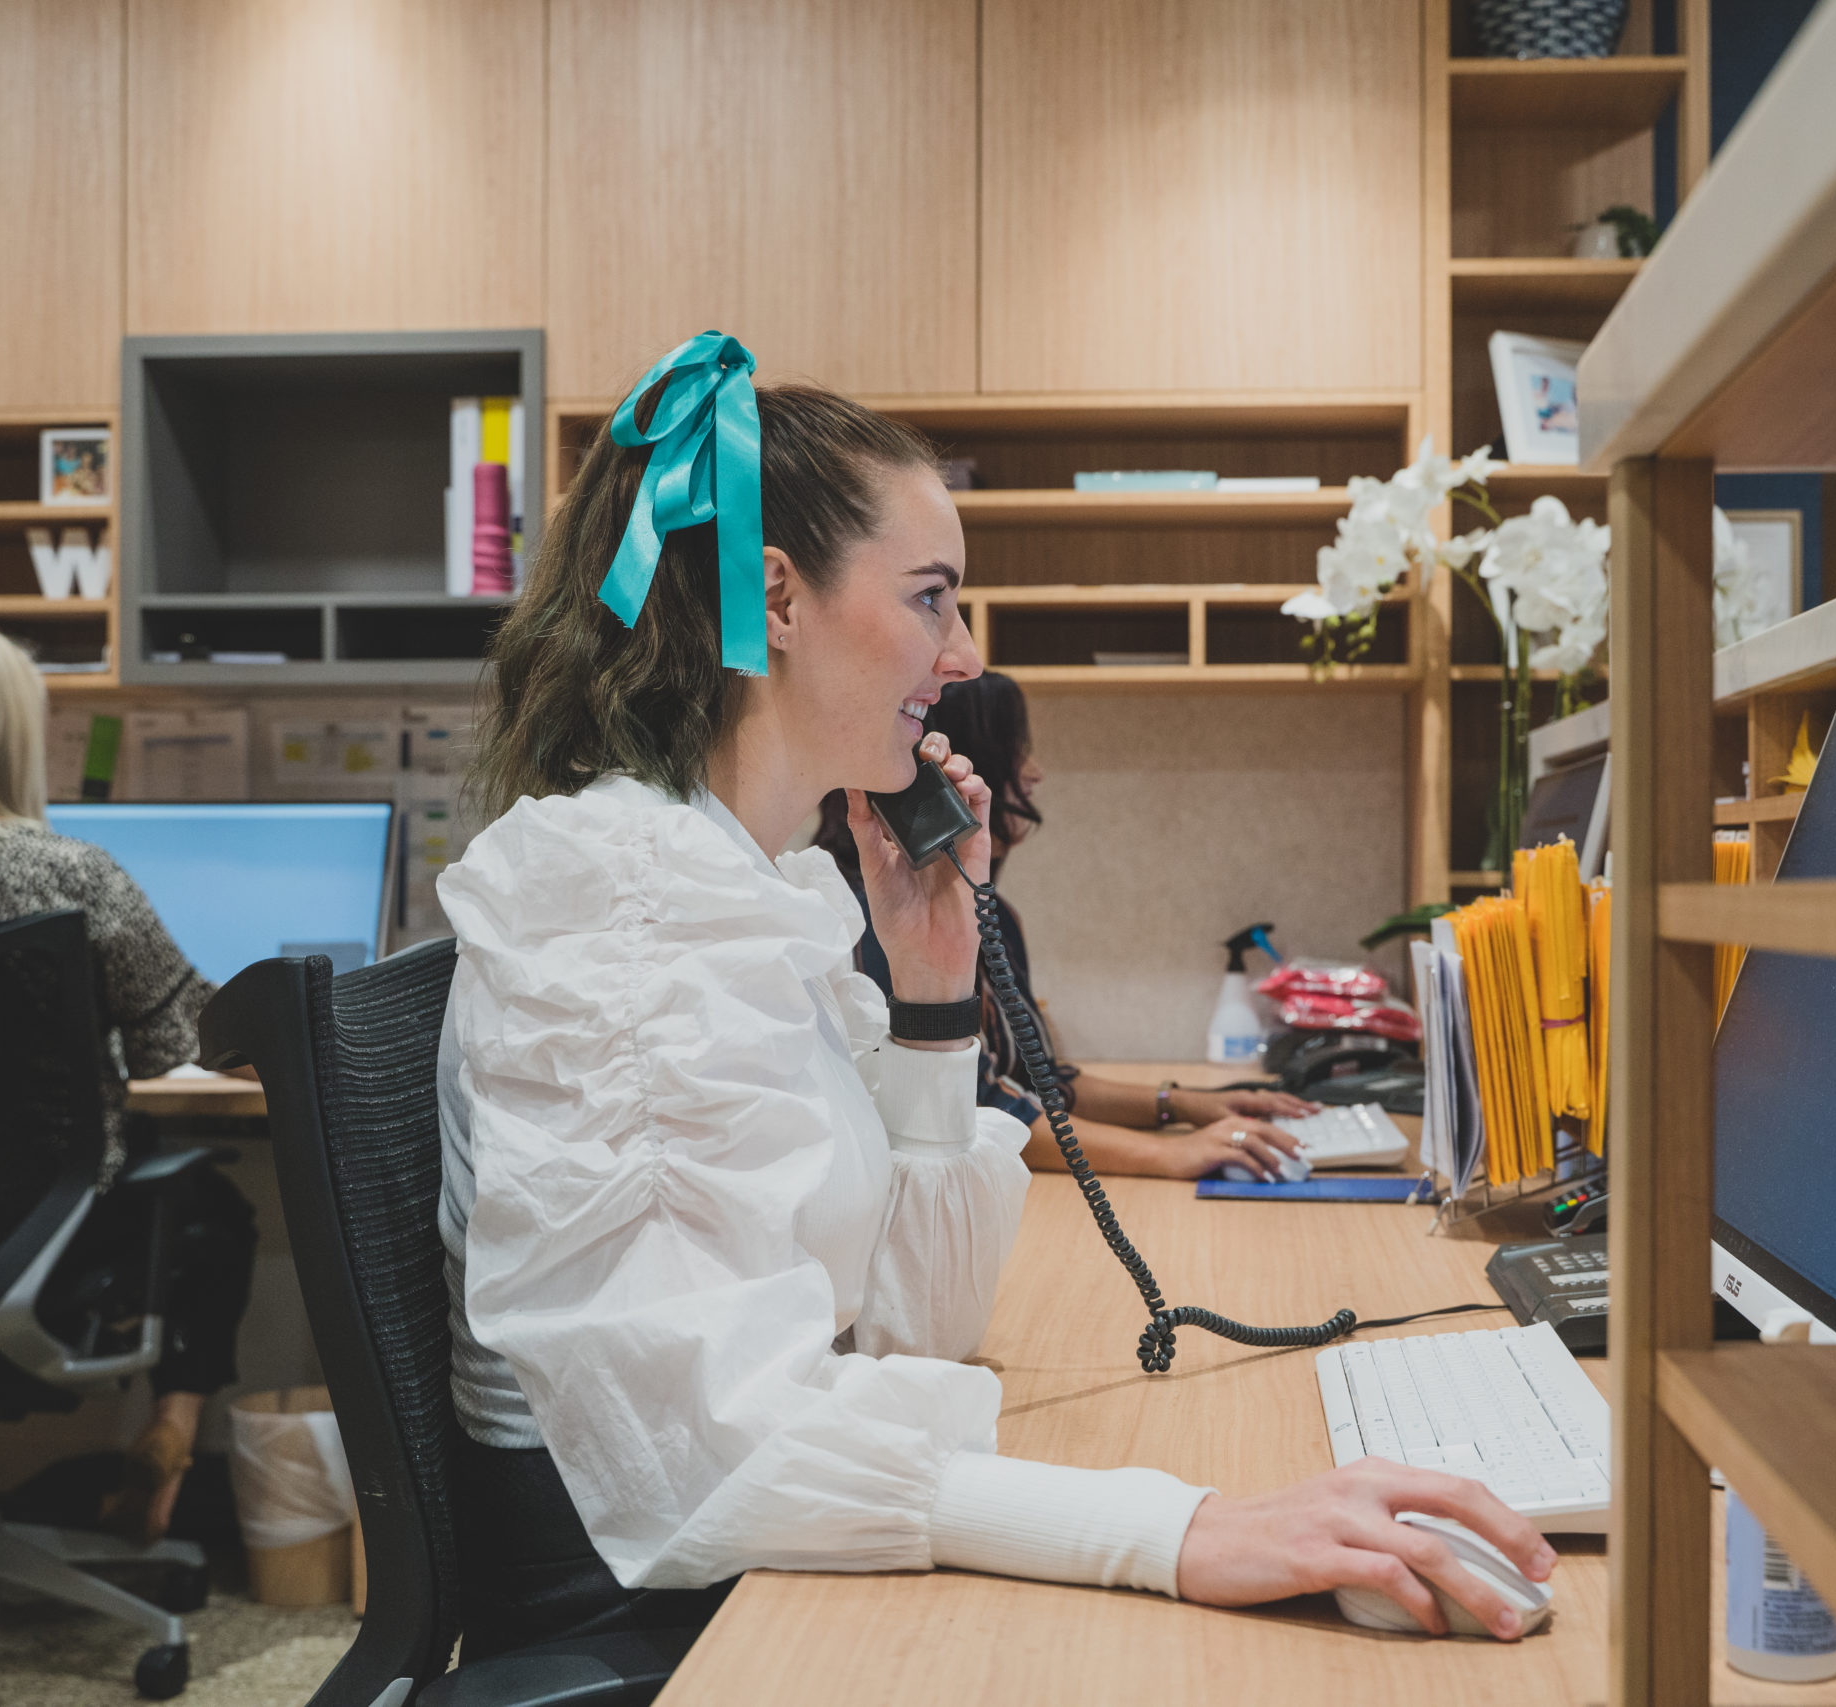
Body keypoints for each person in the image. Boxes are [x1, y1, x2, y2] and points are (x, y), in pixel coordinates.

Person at [436, 335, 1553, 1661]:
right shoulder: (622, 907)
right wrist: (1177, 1530)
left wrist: (929, 996)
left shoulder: (754, 884)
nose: (962, 656)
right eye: (930, 598)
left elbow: (921, 1321)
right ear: (775, 600)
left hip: (750, 1524)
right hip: (652, 1586)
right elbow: (709, 1456)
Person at [0, 625, 257, 1542]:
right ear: (18, 737)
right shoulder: (73, 876)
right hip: (43, 1250)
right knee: (215, 1210)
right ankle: (170, 1433)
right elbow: (187, 1036)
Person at [812, 672, 1320, 1181]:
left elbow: (1040, 1081)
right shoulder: (869, 917)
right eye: (1015, 749)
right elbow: (978, 1105)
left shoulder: (995, 915)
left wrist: (1182, 1104)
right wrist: (1167, 1155)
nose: (1034, 773)